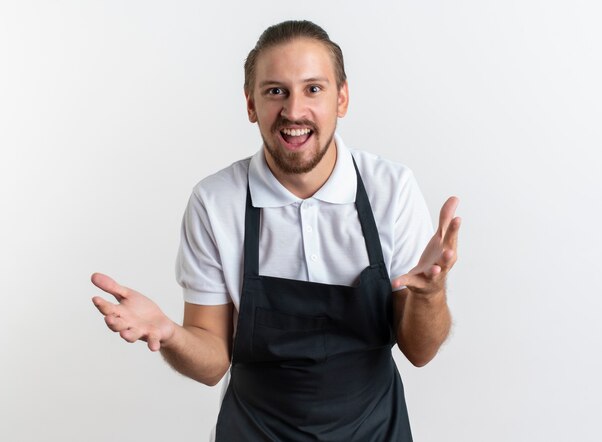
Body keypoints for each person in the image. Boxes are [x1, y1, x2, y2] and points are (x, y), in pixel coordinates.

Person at [91, 20, 461, 441]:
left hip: (375, 430)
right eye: (275, 91)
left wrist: (430, 295)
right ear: (251, 105)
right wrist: (171, 334)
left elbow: (420, 351)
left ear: (342, 98)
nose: (294, 111)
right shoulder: (216, 203)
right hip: (254, 432)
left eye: (313, 89)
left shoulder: (390, 189)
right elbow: (213, 362)